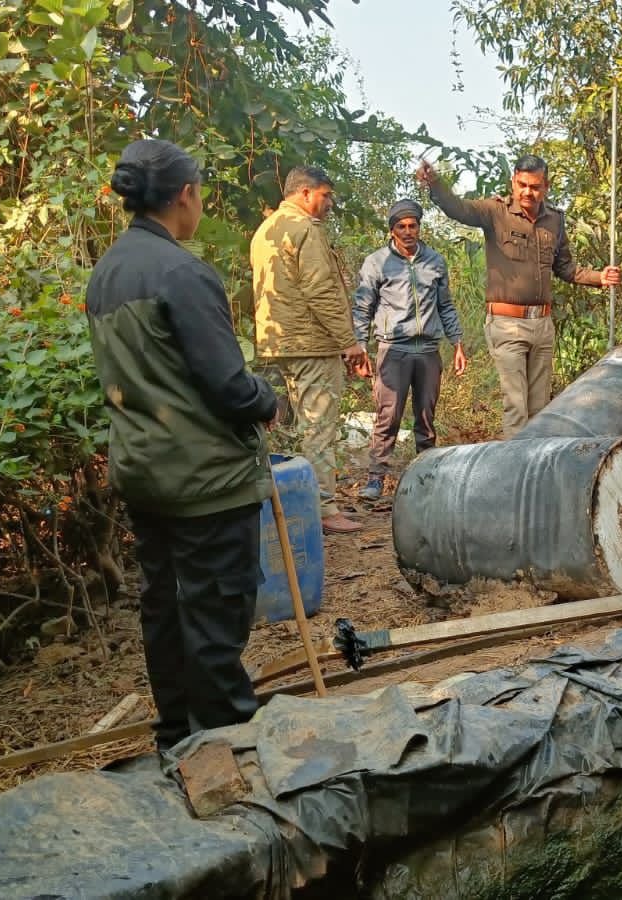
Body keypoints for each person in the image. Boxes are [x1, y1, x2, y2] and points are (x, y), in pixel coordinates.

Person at [85, 138, 277, 751]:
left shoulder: (107, 272)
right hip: (204, 479)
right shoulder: (182, 273)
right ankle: (226, 748)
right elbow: (229, 387)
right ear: (185, 195)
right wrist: (268, 398)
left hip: (144, 471)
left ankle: (175, 737)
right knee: (215, 615)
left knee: (165, 612)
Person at [416, 154, 622, 436]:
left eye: (535, 187)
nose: (527, 192)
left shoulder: (555, 220)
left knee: (540, 409)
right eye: (522, 185)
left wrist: (599, 277)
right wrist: (436, 184)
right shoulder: (495, 212)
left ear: (546, 186)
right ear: (513, 182)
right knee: (516, 407)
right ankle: (514, 465)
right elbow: (459, 209)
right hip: (507, 324)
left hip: (542, 326)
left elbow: (565, 267)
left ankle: (537, 462)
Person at [251, 165, 369, 533]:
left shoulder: (265, 230)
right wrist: (349, 342)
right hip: (311, 344)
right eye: (325, 195)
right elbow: (320, 291)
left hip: (277, 344)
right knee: (319, 428)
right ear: (305, 193)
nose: (329, 203)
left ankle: (294, 506)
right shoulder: (306, 229)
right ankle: (324, 509)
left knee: (290, 428)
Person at [352, 199, 467, 501]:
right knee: (388, 415)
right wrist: (361, 346)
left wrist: (457, 343)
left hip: (428, 349)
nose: (407, 231)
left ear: (419, 227)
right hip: (393, 349)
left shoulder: (435, 261)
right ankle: (376, 478)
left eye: (412, 225)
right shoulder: (376, 262)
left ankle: (425, 477)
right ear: (392, 230)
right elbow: (363, 307)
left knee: (426, 416)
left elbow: (445, 306)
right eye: (401, 226)